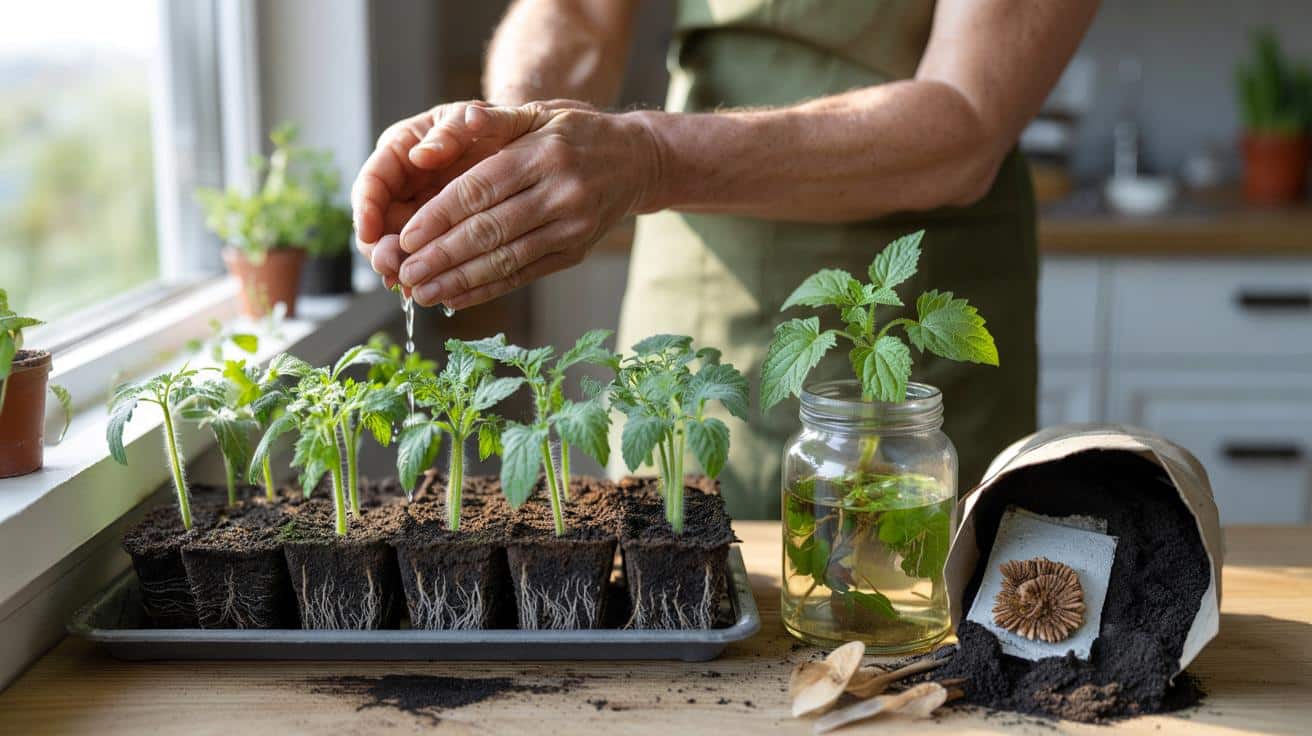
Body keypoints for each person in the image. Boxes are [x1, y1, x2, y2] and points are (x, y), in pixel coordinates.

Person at [353, 0, 1099, 519]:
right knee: (671, 583)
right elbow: (574, 10)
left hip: (913, 291)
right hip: (696, 277)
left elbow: (966, 119)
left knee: (915, 617)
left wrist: (651, 158)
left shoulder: (655, 161)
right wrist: (515, 127)